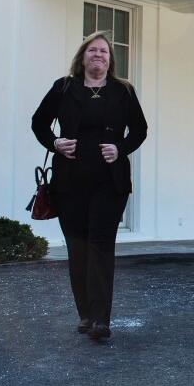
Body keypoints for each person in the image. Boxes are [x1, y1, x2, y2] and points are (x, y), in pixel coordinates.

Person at [32, 32, 148, 341]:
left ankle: (100, 319)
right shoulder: (64, 88)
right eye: (93, 50)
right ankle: (85, 312)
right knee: (78, 248)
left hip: (110, 181)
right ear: (83, 56)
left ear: (111, 60)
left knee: (100, 244)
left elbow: (140, 129)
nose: (99, 55)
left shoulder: (123, 91)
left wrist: (120, 149)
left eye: (105, 52)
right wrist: (55, 142)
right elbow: (38, 122)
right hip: (69, 180)